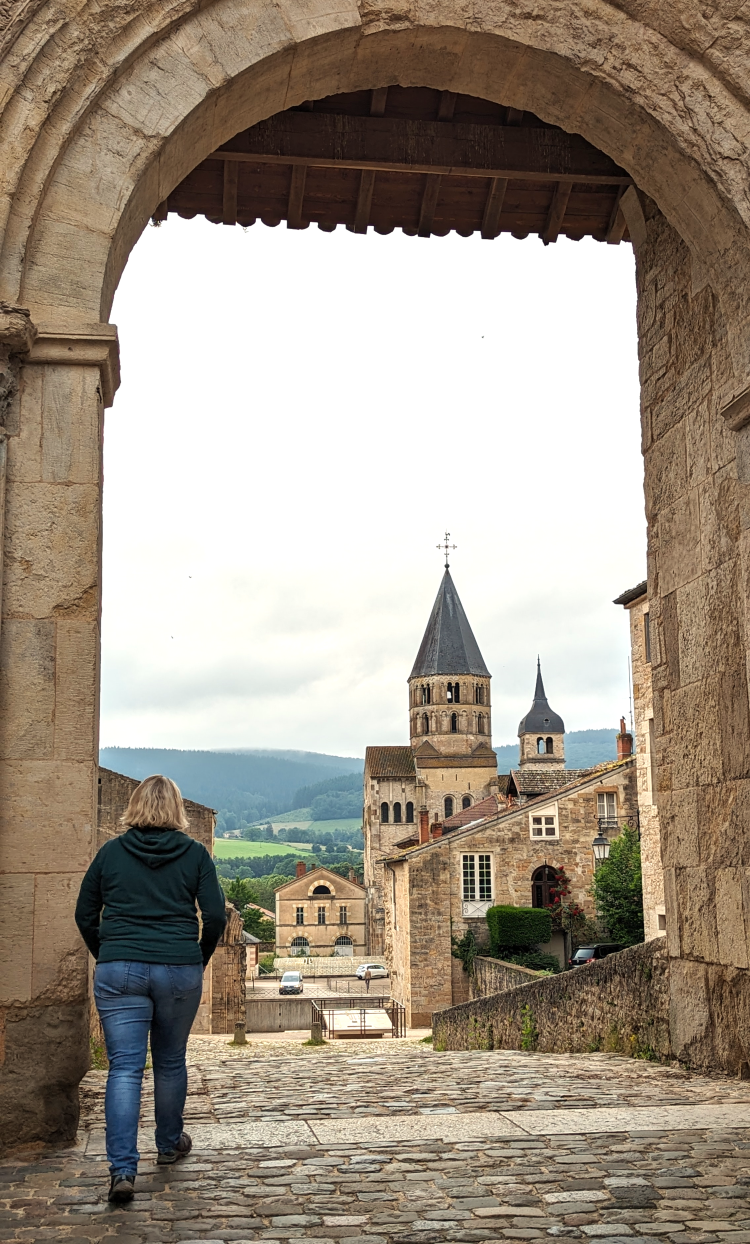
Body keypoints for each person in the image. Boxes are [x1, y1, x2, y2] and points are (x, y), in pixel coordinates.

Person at [75, 775, 227, 1205]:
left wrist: (106, 952)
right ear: (177, 810)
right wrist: (199, 956)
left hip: (119, 967)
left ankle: (122, 1169)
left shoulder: (111, 853)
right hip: (178, 967)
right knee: (170, 1060)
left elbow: (84, 912)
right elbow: (215, 915)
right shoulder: (195, 853)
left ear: (134, 806)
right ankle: (168, 1143)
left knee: (123, 1068)